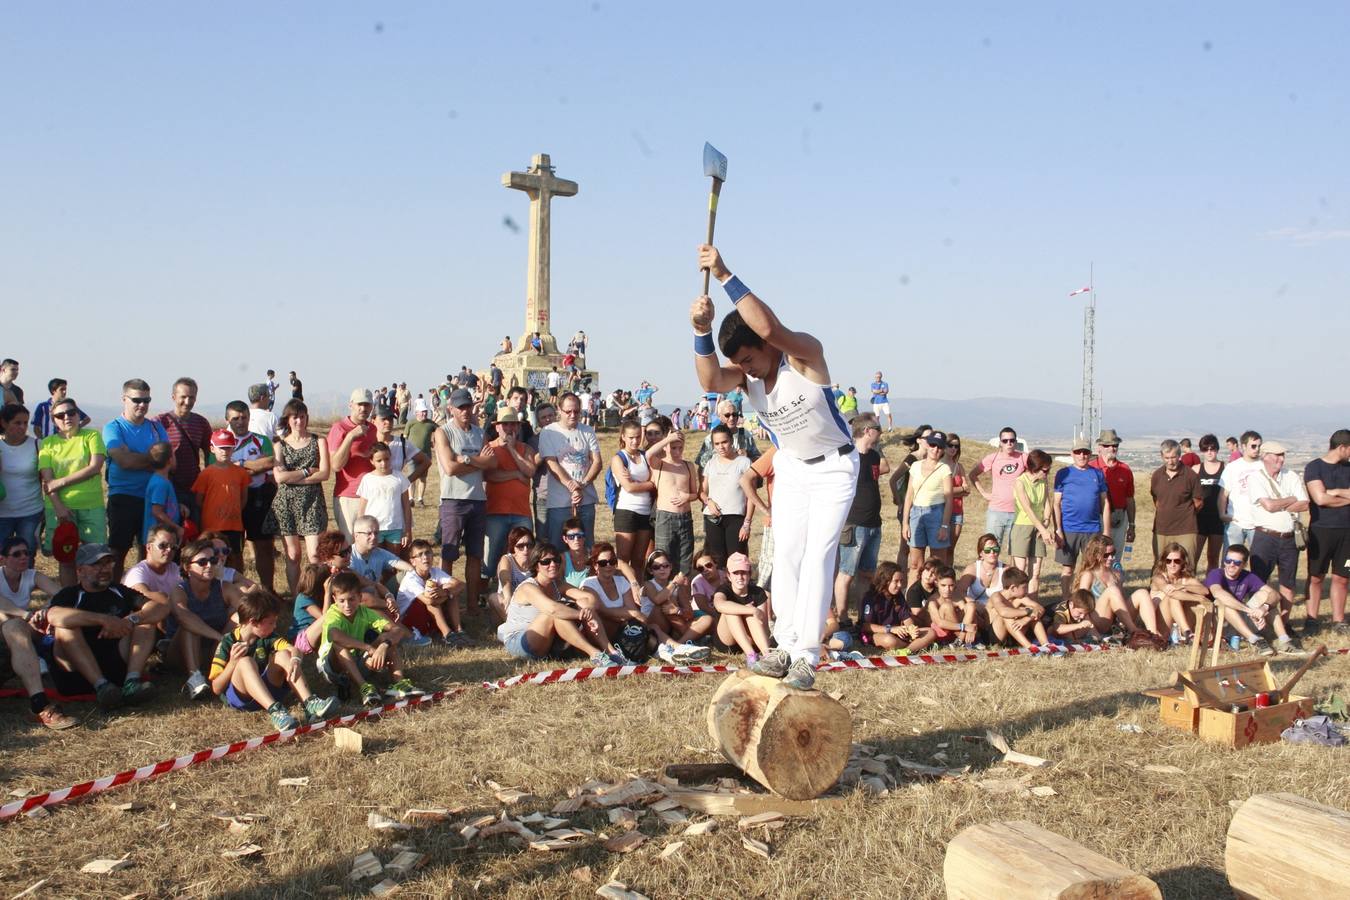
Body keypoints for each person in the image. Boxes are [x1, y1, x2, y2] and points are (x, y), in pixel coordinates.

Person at [691, 243, 859, 690]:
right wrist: (700, 331)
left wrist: (724, 275)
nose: (741, 369)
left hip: (834, 467)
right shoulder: (746, 380)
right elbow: (708, 380)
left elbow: (769, 325)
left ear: (764, 346)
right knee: (785, 554)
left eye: (746, 358)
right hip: (793, 466)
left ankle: (806, 655)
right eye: (737, 363)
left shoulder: (804, 355)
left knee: (818, 553)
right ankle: (784, 644)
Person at [45, 544, 160, 709]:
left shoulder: (119, 590)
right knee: (65, 627)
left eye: (108, 563)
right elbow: (53, 615)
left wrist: (131, 620)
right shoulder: (69, 595)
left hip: (116, 664)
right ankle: (101, 686)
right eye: (96, 564)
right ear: (80, 570)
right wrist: (103, 620)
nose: (104, 569)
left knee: (145, 622)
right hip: (77, 671)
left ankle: (132, 682)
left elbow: (157, 607)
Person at [210, 590, 339, 731]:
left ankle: (310, 704)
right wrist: (233, 663)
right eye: (271, 622)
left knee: (284, 654)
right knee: (245, 662)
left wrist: (295, 659)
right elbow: (216, 688)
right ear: (253, 622)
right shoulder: (228, 642)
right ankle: (275, 711)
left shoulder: (268, 636)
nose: (275, 626)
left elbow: (293, 649)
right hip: (242, 699)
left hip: (268, 689)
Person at [495, 543, 627, 666]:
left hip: (546, 640)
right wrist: (581, 615)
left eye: (556, 560)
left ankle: (612, 652)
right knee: (556, 613)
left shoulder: (557, 584)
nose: (552, 564)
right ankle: (595, 654)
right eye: (546, 562)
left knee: (582, 605)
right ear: (536, 566)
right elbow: (553, 609)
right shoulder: (528, 587)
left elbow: (590, 598)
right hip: (520, 641)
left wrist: (586, 609)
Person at [582, 542, 708, 665]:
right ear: (595, 565)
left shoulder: (621, 581)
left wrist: (679, 609)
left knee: (707, 620)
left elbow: (632, 609)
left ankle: (674, 649)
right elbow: (601, 610)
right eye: (603, 563)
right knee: (656, 618)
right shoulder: (589, 583)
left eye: (612, 561)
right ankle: (677, 647)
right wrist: (631, 613)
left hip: (630, 628)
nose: (608, 566)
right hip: (605, 630)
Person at [0, 537, 77, 728]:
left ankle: (40, 703)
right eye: (17, 554)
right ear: (3, 559)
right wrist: (27, 615)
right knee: (13, 625)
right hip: (8, 632)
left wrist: (46, 611)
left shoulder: (32, 575)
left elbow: (61, 595)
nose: (24, 557)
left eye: (27, 553)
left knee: (28, 626)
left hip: (17, 634)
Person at [318, 571, 422, 707]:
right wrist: (368, 648)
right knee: (339, 644)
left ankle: (399, 683)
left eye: (351, 599)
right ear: (334, 599)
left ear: (360, 597)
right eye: (342, 601)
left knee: (387, 637)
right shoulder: (333, 613)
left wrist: (384, 645)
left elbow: (397, 630)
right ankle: (364, 688)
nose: (347, 605)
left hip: (356, 660)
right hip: (332, 667)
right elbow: (335, 636)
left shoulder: (364, 611)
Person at [432, 387, 495, 609]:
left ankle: (471, 605)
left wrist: (467, 459)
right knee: (449, 553)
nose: (466, 411)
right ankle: (446, 602)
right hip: (453, 499)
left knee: (475, 554)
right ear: (451, 409)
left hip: (477, 499)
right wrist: (478, 460)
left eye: (468, 406)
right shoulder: (443, 432)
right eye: (461, 407)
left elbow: (492, 463)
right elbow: (449, 467)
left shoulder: (479, 433)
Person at [102, 379, 170, 579]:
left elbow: (169, 461)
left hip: (153, 498)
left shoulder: (157, 428)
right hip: (123, 496)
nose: (142, 405)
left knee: (149, 550)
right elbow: (124, 461)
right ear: (124, 399)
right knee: (118, 550)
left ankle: (145, 592)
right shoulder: (113, 428)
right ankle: (114, 591)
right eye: (137, 400)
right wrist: (154, 459)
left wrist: (135, 456)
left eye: (146, 400)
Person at [265, 400, 331, 594]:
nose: (299, 421)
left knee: (314, 555)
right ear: (288, 419)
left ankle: (317, 594)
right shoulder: (279, 444)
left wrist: (292, 477)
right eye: (295, 417)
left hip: (312, 502)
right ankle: (297, 599)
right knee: (293, 555)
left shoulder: (319, 441)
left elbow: (325, 473)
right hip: (287, 503)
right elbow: (279, 477)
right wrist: (307, 471)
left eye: (302, 416)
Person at [169, 537, 247, 699]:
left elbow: (250, 611)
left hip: (215, 650)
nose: (209, 565)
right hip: (181, 653)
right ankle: (194, 678)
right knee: (189, 626)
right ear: (187, 567)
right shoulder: (179, 590)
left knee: (242, 616)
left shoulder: (224, 587)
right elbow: (183, 616)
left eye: (212, 560)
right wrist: (220, 637)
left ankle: (245, 657)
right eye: (202, 562)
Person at [834, 415, 888, 624]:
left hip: (874, 523)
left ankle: (863, 617)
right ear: (867, 430)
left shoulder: (874, 456)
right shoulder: (847, 456)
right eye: (878, 428)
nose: (881, 433)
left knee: (866, 574)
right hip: (854, 523)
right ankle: (842, 616)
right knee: (846, 572)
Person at [1245, 441, 1308, 616]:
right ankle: (1256, 622)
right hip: (1265, 536)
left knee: (1288, 583)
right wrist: (1291, 499)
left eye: (1283, 455)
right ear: (1265, 457)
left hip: (1289, 538)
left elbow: (1304, 504)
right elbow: (1269, 506)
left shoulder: (1291, 476)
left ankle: (1285, 623)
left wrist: (1280, 504)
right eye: (1277, 455)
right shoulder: (1256, 478)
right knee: (1258, 582)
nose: (1281, 459)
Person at [224, 400, 277, 592]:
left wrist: (239, 465)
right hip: (230, 498)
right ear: (227, 419)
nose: (240, 422)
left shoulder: (261, 440)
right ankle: (239, 591)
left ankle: (268, 590)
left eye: (244, 417)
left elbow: (269, 462)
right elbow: (220, 468)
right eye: (235, 418)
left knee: (264, 545)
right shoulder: (221, 440)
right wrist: (253, 466)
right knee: (234, 549)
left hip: (259, 496)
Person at [1203, 544, 1294, 655]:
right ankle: (1255, 641)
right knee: (1222, 602)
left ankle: (1284, 641)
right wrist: (1249, 611)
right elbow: (1218, 593)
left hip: (1240, 621)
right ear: (1224, 561)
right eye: (1228, 560)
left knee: (1266, 597)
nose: (1231, 565)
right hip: (1218, 622)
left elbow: (1275, 594)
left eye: (1237, 563)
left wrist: (1263, 609)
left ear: (1244, 565)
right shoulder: (1216, 574)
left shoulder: (1248, 576)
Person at [539, 391, 602, 549]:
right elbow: (552, 464)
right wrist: (571, 486)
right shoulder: (548, 432)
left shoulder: (587, 431)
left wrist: (583, 484)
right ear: (559, 410)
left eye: (576, 411)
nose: (573, 415)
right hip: (559, 503)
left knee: (586, 547)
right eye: (568, 411)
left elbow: (597, 461)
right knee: (558, 548)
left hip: (586, 500)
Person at [1303, 429, 1350, 635]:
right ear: (1342, 447)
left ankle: (1338, 620)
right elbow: (1320, 498)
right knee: (1316, 576)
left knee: (1342, 577)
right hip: (1321, 531)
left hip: (1347, 531)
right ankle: (1312, 618)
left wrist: (1337, 492)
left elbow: (1327, 496)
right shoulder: (1315, 467)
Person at [483, 408, 538, 578]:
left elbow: (529, 471)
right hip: (495, 511)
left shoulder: (526, 448)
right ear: (497, 427)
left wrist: (512, 449)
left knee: (524, 557)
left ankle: (523, 590)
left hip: (521, 512)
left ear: (518, 427)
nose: (509, 428)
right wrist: (515, 474)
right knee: (490, 558)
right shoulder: (489, 448)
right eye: (504, 424)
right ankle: (484, 594)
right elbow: (488, 475)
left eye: (513, 424)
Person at [1054, 435, 1110, 602]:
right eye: (1078, 452)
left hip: (1092, 529)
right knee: (1068, 569)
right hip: (1069, 528)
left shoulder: (1097, 474)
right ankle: (1066, 601)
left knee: (1092, 568)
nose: (1082, 455)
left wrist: (1106, 531)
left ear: (1090, 454)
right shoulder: (1063, 474)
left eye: (1085, 452)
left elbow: (1105, 503)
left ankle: (1087, 601)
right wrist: (1058, 530)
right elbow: (1056, 503)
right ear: (1072, 453)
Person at [1073, 534, 1159, 637]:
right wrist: (1093, 631)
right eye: (1106, 555)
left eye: (1113, 553)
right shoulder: (1089, 575)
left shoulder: (1114, 573)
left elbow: (1119, 602)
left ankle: (1154, 634)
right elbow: (1081, 605)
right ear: (1096, 555)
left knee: (1142, 593)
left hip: (1115, 621)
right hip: (1098, 620)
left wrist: (1120, 581)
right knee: (1112, 590)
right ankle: (1134, 632)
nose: (1111, 557)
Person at [155, 377, 213, 524]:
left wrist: (208, 483)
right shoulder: (160, 422)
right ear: (173, 397)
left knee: (195, 536)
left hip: (195, 488)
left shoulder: (201, 423)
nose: (187, 402)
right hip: (169, 488)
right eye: (183, 397)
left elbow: (209, 454)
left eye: (191, 397)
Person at [902, 431, 954, 584]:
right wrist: (905, 522)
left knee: (937, 565)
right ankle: (912, 600)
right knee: (915, 564)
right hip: (916, 514)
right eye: (932, 445)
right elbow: (909, 495)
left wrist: (944, 525)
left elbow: (949, 499)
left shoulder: (944, 469)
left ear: (942, 449)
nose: (935, 449)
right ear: (927, 445)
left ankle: (936, 599)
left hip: (936, 513)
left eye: (939, 447)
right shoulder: (916, 466)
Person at [192, 429, 252, 561]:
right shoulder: (206, 474)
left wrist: (233, 512)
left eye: (228, 448)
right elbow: (199, 501)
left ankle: (236, 581)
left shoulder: (241, 473)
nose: (225, 451)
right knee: (212, 557)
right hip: (211, 526)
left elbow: (244, 498)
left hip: (234, 525)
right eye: (221, 448)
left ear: (233, 448)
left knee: (235, 557)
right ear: (212, 449)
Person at [1131, 544, 1210, 641]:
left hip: (1177, 624)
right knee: (1173, 597)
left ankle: (1200, 634)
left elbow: (1205, 591)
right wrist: (1198, 597)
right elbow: (1171, 593)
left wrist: (1183, 586)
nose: (1172, 564)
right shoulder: (1158, 578)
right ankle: (1187, 632)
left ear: (1183, 562)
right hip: (1161, 624)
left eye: (1177, 561)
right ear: (1164, 562)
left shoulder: (1186, 580)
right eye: (1168, 561)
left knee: (1195, 601)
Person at [396, 539, 467, 646]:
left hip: (427, 616)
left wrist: (446, 592)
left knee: (450, 588)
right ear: (413, 561)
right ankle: (447, 635)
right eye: (420, 555)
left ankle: (459, 630)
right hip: (409, 622)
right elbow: (428, 600)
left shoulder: (435, 571)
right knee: (431, 595)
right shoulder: (411, 578)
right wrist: (446, 594)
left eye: (428, 552)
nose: (425, 557)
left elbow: (461, 585)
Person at [328, 389, 378, 538]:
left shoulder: (373, 429)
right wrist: (351, 436)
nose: (363, 409)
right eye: (360, 404)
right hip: (348, 496)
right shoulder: (339, 428)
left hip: (371, 495)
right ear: (351, 405)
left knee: (370, 544)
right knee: (351, 544)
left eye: (367, 405)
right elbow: (336, 465)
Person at [700, 424, 754, 560]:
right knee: (717, 561)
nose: (721, 447)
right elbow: (702, 491)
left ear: (731, 441)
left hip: (736, 518)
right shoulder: (710, 463)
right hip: (713, 518)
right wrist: (708, 501)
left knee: (736, 560)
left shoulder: (744, 463)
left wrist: (747, 524)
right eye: (717, 443)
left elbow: (751, 496)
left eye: (724, 442)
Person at [859, 561, 936, 653]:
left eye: (901, 581)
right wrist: (891, 629)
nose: (900, 585)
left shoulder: (898, 595)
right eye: (896, 581)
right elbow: (866, 626)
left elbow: (906, 617)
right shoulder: (871, 597)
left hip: (899, 631)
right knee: (890, 640)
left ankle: (906, 651)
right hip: (878, 634)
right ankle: (917, 646)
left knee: (931, 632)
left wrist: (911, 629)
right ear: (885, 581)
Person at [0, 405, 44, 566]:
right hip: (2, 512)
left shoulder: (37, 445)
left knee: (26, 555)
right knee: (3, 556)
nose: (22, 427)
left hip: (30, 511)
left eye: (25, 423)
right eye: (17, 423)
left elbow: (46, 477)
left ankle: (25, 589)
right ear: (4, 423)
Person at [1009, 449, 1056, 600]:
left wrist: (1047, 521)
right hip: (1023, 526)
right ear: (1034, 468)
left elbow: (1047, 502)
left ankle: (1033, 605)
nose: (1047, 473)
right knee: (1020, 572)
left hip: (1040, 527)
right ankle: (1017, 604)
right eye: (1045, 470)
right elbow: (1027, 509)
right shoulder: (1020, 482)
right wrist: (1043, 530)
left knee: (1035, 572)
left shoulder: (1044, 481)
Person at [610, 418, 655, 573]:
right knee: (623, 558)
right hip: (626, 510)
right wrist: (648, 484)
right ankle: (622, 593)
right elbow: (628, 487)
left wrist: (639, 484)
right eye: (631, 437)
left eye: (638, 437)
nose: (635, 441)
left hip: (645, 512)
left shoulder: (645, 456)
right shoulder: (618, 458)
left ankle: (639, 592)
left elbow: (655, 480)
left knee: (639, 559)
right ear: (623, 437)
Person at [970, 426, 1025, 552]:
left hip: (1019, 512)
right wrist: (983, 493)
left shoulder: (1024, 458)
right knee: (991, 548)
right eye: (1005, 441)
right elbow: (973, 474)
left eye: (1012, 440)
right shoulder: (992, 458)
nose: (1009, 443)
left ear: (1016, 441)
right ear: (1000, 442)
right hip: (996, 511)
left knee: (1016, 550)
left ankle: (1013, 572)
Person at [712, 551, 773, 663]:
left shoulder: (758, 592)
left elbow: (763, 627)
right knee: (731, 611)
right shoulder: (723, 590)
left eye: (743, 573)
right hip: (728, 642)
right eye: (735, 573)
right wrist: (751, 609)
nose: (740, 577)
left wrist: (750, 613)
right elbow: (719, 605)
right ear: (729, 576)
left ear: (749, 574)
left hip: (753, 640)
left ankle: (767, 656)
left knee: (751, 614)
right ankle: (751, 656)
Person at [1149, 439, 1202, 564]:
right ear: (1162, 456)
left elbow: (1198, 502)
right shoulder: (1157, 475)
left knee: (1187, 565)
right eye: (1166, 458)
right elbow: (1156, 499)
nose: (1170, 461)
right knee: (1160, 564)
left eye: (1173, 457)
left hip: (1186, 529)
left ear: (1179, 456)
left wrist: (1184, 513)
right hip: (1162, 529)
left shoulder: (1191, 475)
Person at [355, 443, 413, 555]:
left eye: (386, 459)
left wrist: (407, 530)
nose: (384, 463)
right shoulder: (367, 479)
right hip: (373, 530)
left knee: (394, 561)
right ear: (372, 461)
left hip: (395, 527)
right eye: (379, 460)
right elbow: (362, 508)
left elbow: (406, 506)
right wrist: (358, 530)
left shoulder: (399, 477)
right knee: (375, 560)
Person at [1088, 429, 1135, 557]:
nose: (1111, 448)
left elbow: (1130, 498)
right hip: (1097, 517)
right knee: (1098, 554)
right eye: (1107, 445)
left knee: (1116, 554)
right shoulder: (1091, 468)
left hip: (1120, 517)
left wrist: (1131, 524)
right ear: (1100, 447)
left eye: (1115, 445)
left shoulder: (1125, 469)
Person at [1218, 430, 1264, 551]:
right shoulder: (1233, 467)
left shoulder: (1264, 466)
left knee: (1259, 562)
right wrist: (1222, 514)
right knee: (1231, 561)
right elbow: (1223, 494)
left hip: (1258, 523)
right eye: (1253, 446)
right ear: (1243, 446)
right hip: (1236, 522)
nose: (1257, 449)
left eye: (1259, 446)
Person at [986, 568, 1051, 650]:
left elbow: (1040, 608)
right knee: (1007, 616)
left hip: (1013, 635)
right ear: (1013, 588)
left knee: (1034, 614)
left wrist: (1027, 619)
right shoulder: (996, 596)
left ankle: (1046, 645)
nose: (1027, 591)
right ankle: (1030, 647)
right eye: (1024, 588)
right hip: (995, 637)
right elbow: (1003, 612)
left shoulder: (1020, 597)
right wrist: (1028, 611)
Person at [122, 523, 182, 610]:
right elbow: (142, 596)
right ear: (149, 547)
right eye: (163, 546)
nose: (169, 550)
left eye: (173, 547)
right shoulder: (137, 572)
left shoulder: (174, 568)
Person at [741, 445, 777, 588]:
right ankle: (765, 610)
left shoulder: (812, 449)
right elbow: (745, 480)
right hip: (776, 524)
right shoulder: (777, 451)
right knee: (768, 574)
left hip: (803, 524)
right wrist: (766, 510)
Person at [887, 431, 922, 570]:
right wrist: (899, 500)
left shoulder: (934, 459)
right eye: (927, 437)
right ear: (919, 440)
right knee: (905, 546)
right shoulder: (912, 459)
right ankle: (901, 580)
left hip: (924, 507)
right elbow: (893, 479)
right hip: (909, 507)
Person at [1192, 434, 1227, 573]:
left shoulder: (1226, 469)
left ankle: (1211, 587)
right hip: (1199, 518)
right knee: (1193, 556)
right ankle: (1189, 585)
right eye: (1206, 449)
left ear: (1217, 449)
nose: (1210, 452)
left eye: (1212, 448)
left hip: (1218, 519)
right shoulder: (1195, 469)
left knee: (1213, 557)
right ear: (1202, 451)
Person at [487, 526, 534, 624]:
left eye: (529, 545)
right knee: (494, 598)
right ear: (513, 547)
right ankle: (515, 625)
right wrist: (508, 597)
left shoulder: (535, 562)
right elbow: (505, 578)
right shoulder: (507, 559)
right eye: (521, 546)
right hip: (508, 605)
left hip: (528, 605)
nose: (526, 549)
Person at [694, 400, 760, 468]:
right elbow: (701, 465)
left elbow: (757, 458)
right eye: (727, 415)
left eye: (734, 414)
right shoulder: (712, 438)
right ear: (720, 417)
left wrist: (747, 458)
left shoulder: (744, 434)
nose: (731, 418)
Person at [925, 566, 978, 647]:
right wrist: (964, 627)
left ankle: (960, 640)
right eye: (943, 585)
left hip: (959, 632)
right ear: (936, 583)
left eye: (951, 585)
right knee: (947, 606)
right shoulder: (932, 601)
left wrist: (973, 629)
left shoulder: (957, 597)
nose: (947, 589)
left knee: (971, 605)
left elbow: (970, 615)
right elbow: (940, 623)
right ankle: (963, 640)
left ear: (955, 583)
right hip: (943, 634)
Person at [142, 441, 181, 547]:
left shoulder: (163, 480)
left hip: (164, 537)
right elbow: (157, 511)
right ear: (170, 460)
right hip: (158, 539)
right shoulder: (160, 483)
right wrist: (176, 528)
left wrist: (179, 507)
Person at [944, 433, 968, 547]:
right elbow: (939, 491)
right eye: (950, 445)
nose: (953, 448)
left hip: (957, 511)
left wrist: (951, 491)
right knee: (940, 548)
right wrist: (960, 489)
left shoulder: (959, 467)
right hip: (941, 510)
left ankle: (949, 566)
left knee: (951, 548)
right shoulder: (939, 465)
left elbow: (967, 490)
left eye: (956, 446)